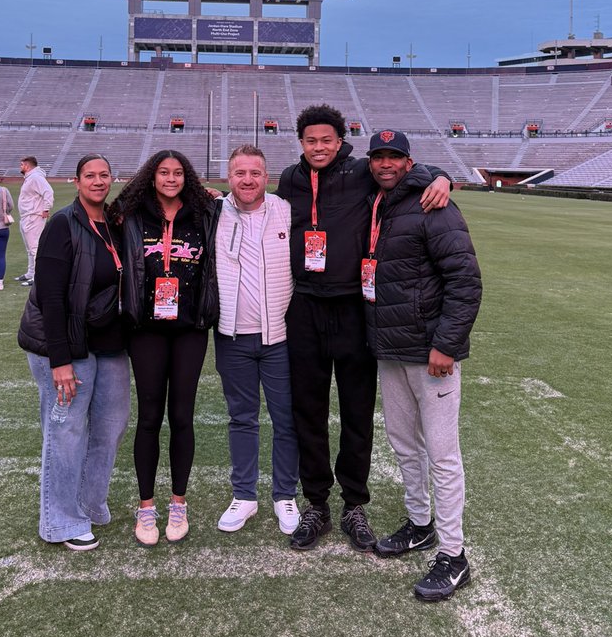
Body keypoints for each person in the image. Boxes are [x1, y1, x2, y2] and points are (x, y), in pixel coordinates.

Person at [275, 105, 451, 552]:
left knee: (357, 412)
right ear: (301, 143)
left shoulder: (361, 172)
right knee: (307, 411)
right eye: (311, 141)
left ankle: (354, 503)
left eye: (327, 140)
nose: (319, 147)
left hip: (354, 307)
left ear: (341, 142)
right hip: (305, 308)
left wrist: (442, 176)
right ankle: (317, 502)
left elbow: (408, 172)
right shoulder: (289, 181)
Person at [364, 130, 482, 601]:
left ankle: (454, 556)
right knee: (403, 444)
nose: (386, 164)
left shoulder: (435, 205)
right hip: (390, 348)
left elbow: (466, 280)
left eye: (395, 157)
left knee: (442, 453)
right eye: (379, 157)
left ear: (410, 162)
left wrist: (447, 345)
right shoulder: (380, 201)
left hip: (430, 353)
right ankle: (420, 523)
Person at [17, 154, 130, 552]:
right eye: (90, 176)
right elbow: (49, 296)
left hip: (108, 342)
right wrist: (60, 361)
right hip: (64, 343)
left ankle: (88, 502)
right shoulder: (63, 224)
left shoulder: (116, 223)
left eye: (104, 175)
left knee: (112, 424)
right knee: (66, 429)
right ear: (76, 181)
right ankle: (60, 520)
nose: (98, 181)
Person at [111, 150, 218, 547]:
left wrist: (212, 193)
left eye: (178, 173)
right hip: (146, 329)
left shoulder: (203, 212)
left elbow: (228, 203)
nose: (171, 179)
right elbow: (109, 210)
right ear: (150, 177)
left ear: (186, 177)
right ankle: (145, 506)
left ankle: (178, 503)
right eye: (162, 172)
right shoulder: (132, 215)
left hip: (190, 328)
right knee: (150, 417)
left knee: (183, 416)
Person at [212, 145, 299, 536]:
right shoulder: (211, 211)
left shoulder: (286, 209)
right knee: (242, 419)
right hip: (232, 338)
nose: (248, 180)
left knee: (286, 420)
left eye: (255, 173)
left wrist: (435, 175)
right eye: (240, 173)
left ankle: (285, 494)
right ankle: (244, 495)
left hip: (280, 338)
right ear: (228, 177)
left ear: (267, 177)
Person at [15, 156, 54, 286]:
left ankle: (38, 276)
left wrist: (46, 209)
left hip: (34, 217)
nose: (20, 167)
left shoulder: (36, 177)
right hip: (26, 216)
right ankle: (31, 273)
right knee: (29, 248)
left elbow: (48, 192)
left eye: (21, 165)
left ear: (27, 165)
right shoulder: (29, 178)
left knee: (35, 247)